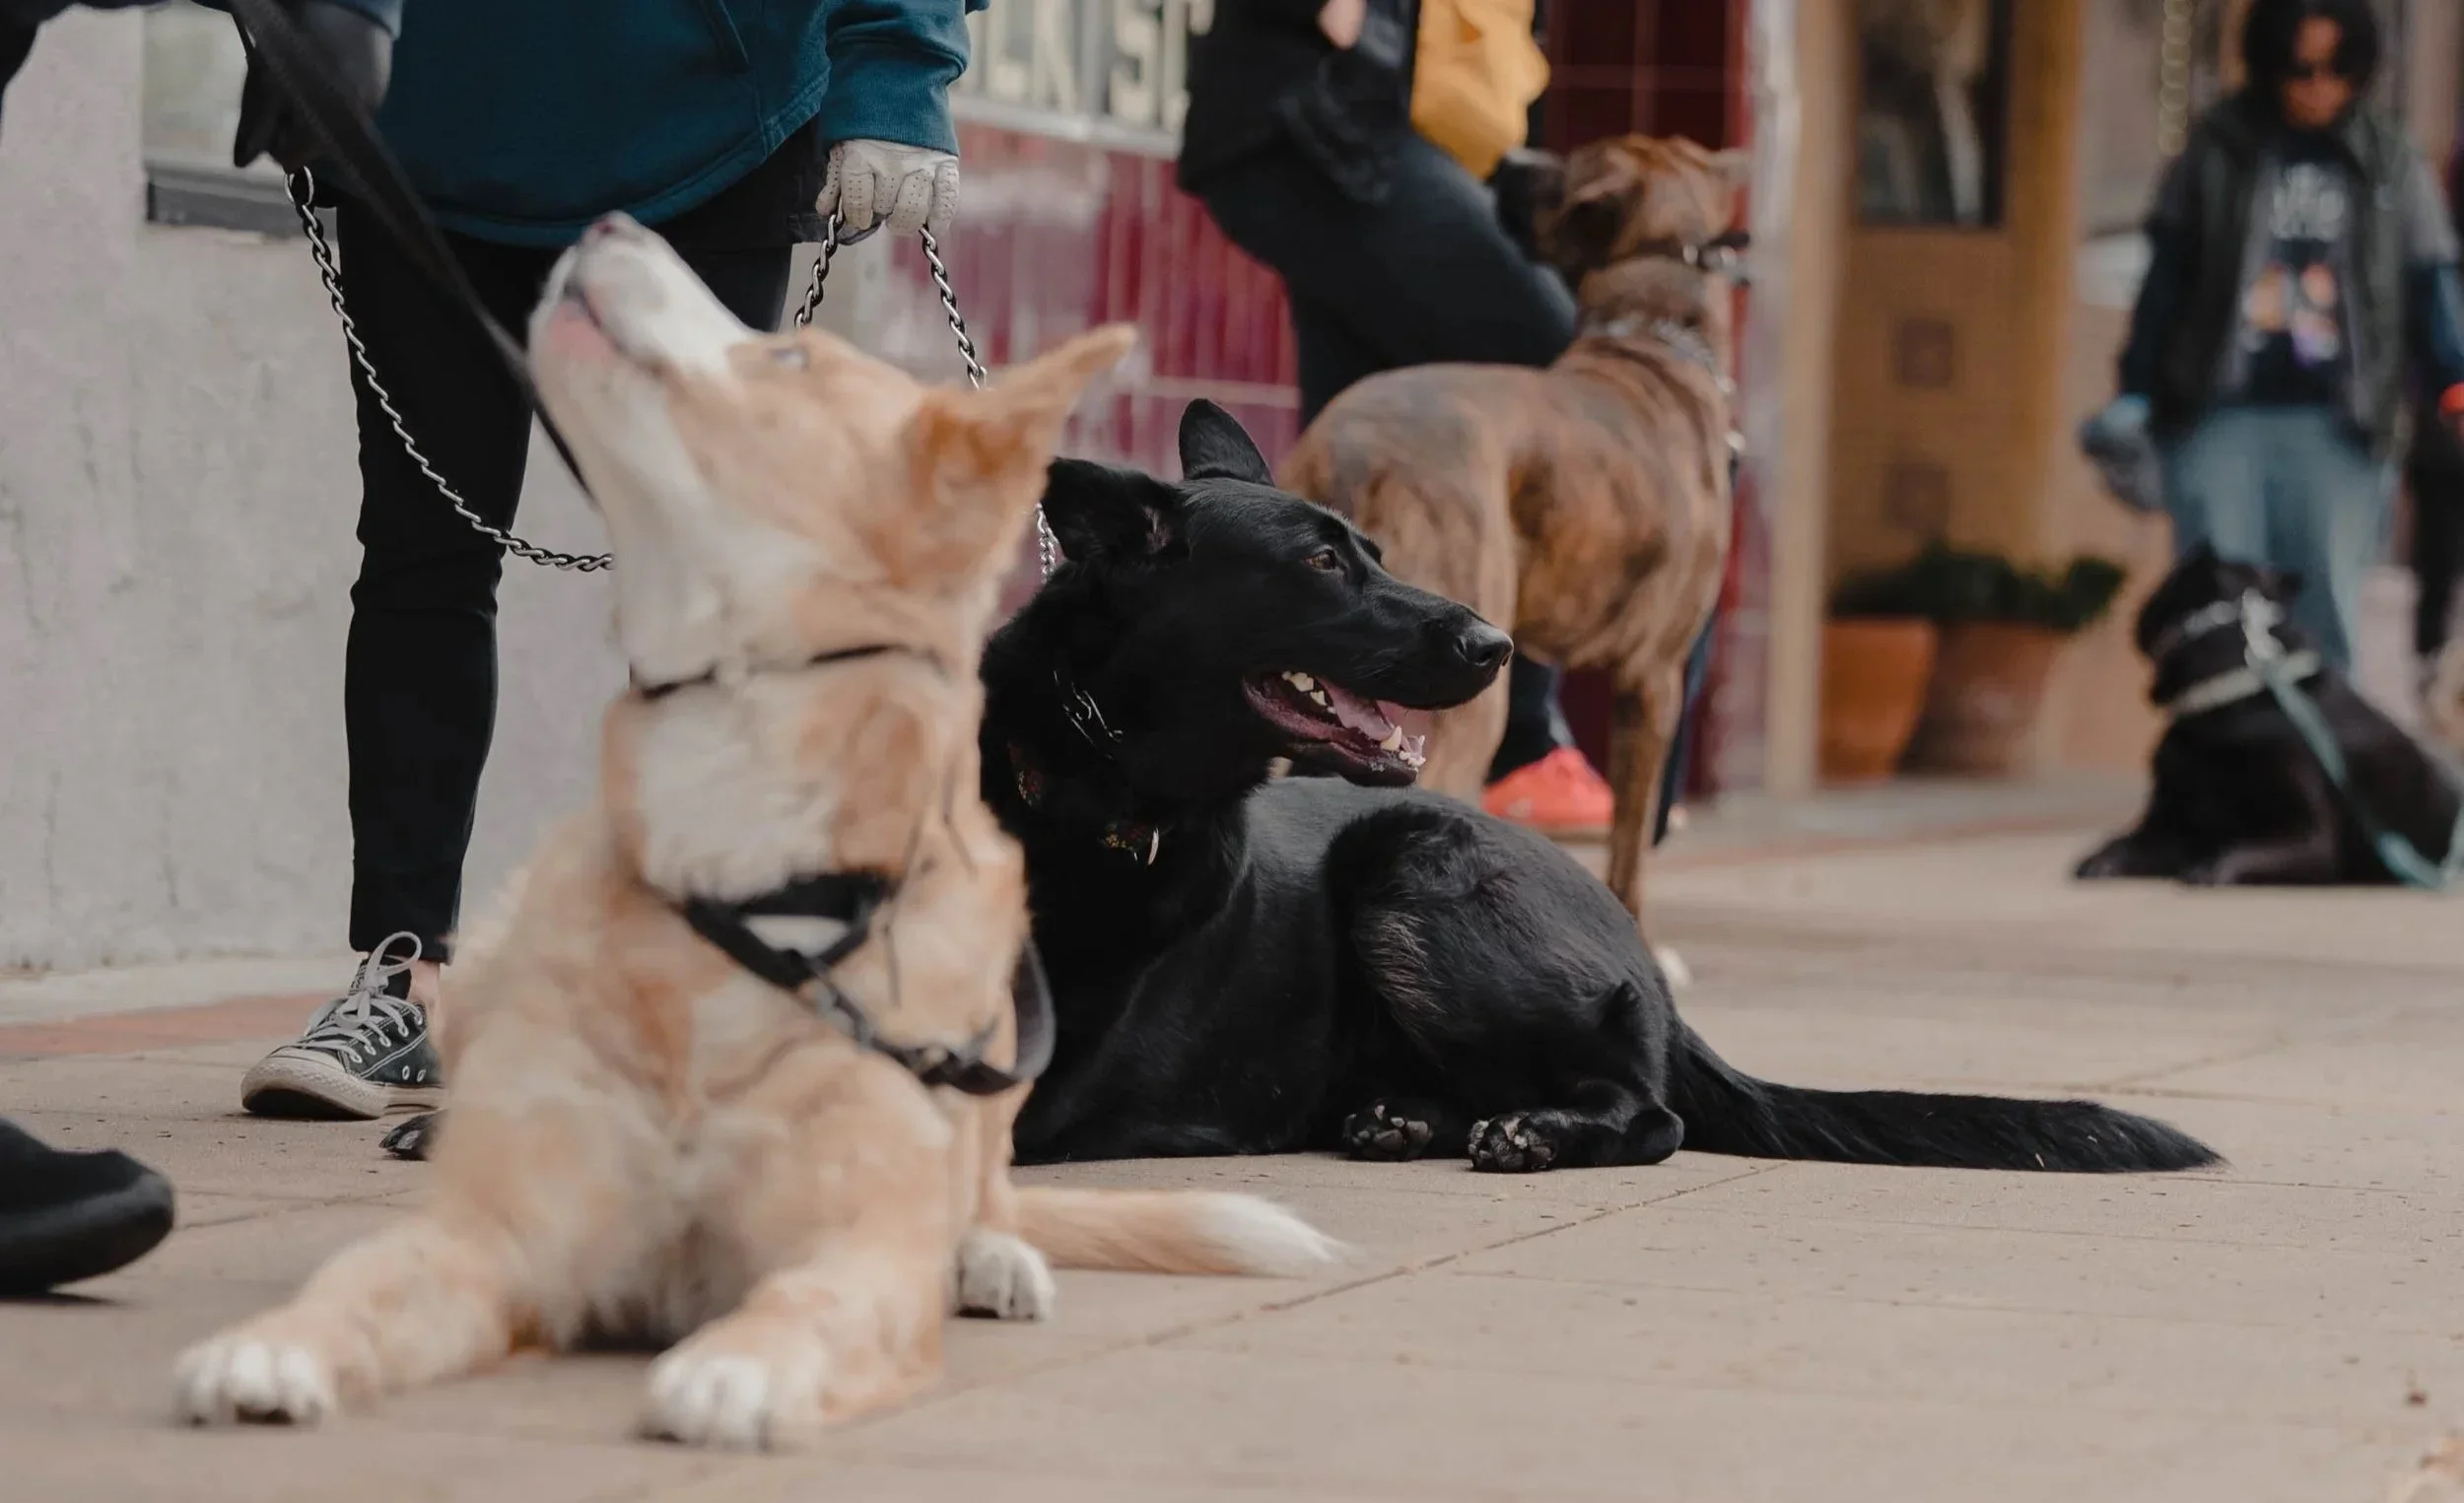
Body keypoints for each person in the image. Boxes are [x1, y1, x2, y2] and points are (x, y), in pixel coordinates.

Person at [209, 0, 981, 1122]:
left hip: (708, 125)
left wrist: (900, 76)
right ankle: (403, 977)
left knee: (705, 590)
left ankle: (689, 978)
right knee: (422, 560)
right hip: (421, 119)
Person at [1178, 0, 1614, 835]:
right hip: (1323, 113)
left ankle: (1321, 761)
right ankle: (1520, 744)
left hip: (1352, 122)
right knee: (1550, 360)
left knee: (1368, 439)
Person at [2103, 0, 2464, 672]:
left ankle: (2316, 774)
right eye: (2300, 68)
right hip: (2219, 409)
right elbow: (2167, 280)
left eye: (2337, 68)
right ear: (2269, 66)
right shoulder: (2217, 149)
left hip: (2340, 419)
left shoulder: (2388, 159)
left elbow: (2426, 282)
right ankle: (2226, 775)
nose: (2317, 86)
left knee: (2324, 608)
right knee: (2219, 610)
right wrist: (2138, 389)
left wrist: (2453, 379)